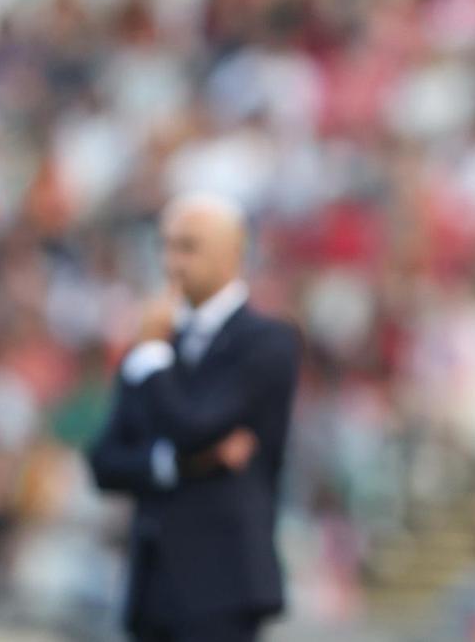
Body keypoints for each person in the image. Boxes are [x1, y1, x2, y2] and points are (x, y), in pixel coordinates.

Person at [88, 193, 301, 642]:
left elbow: (192, 428)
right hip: (152, 584)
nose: (171, 261)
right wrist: (176, 464)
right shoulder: (156, 341)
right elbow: (104, 460)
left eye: (188, 247)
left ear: (233, 253)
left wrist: (152, 355)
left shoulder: (267, 341)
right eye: (165, 246)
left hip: (224, 584)